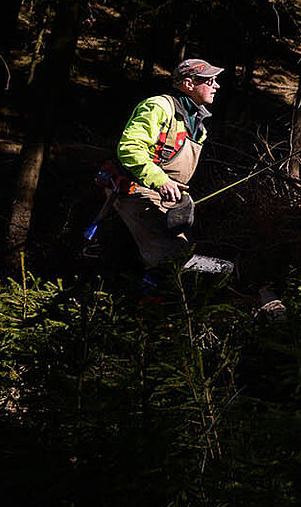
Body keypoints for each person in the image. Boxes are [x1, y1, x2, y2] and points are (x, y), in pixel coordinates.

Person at [111, 58, 284, 317]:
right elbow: (129, 149)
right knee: (170, 262)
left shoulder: (198, 122)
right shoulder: (159, 106)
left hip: (170, 201)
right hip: (138, 195)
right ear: (189, 83)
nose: (216, 86)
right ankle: (146, 321)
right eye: (209, 81)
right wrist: (161, 181)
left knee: (184, 261)